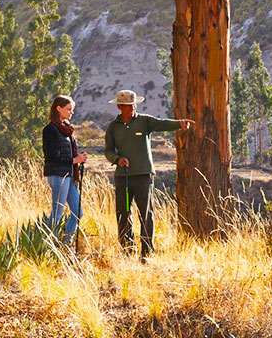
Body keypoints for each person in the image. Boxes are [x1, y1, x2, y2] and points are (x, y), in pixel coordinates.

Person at [103, 90, 193, 261]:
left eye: (134, 104)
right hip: (123, 177)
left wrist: (180, 123)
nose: (133, 108)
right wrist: (117, 159)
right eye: (129, 105)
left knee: (146, 213)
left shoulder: (144, 121)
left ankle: (147, 252)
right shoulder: (113, 127)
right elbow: (108, 151)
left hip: (144, 175)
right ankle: (127, 250)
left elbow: (162, 124)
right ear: (120, 107)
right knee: (123, 213)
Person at [42, 95, 87, 242]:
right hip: (57, 175)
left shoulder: (66, 130)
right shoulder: (50, 130)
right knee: (57, 212)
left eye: (72, 110)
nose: (71, 113)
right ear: (58, 108)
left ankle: (66, 242)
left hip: (68, 174)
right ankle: (50, 245)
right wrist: (75, 160)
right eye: (69, 109)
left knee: (77, 212)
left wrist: (77, 159)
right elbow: (51, 157)